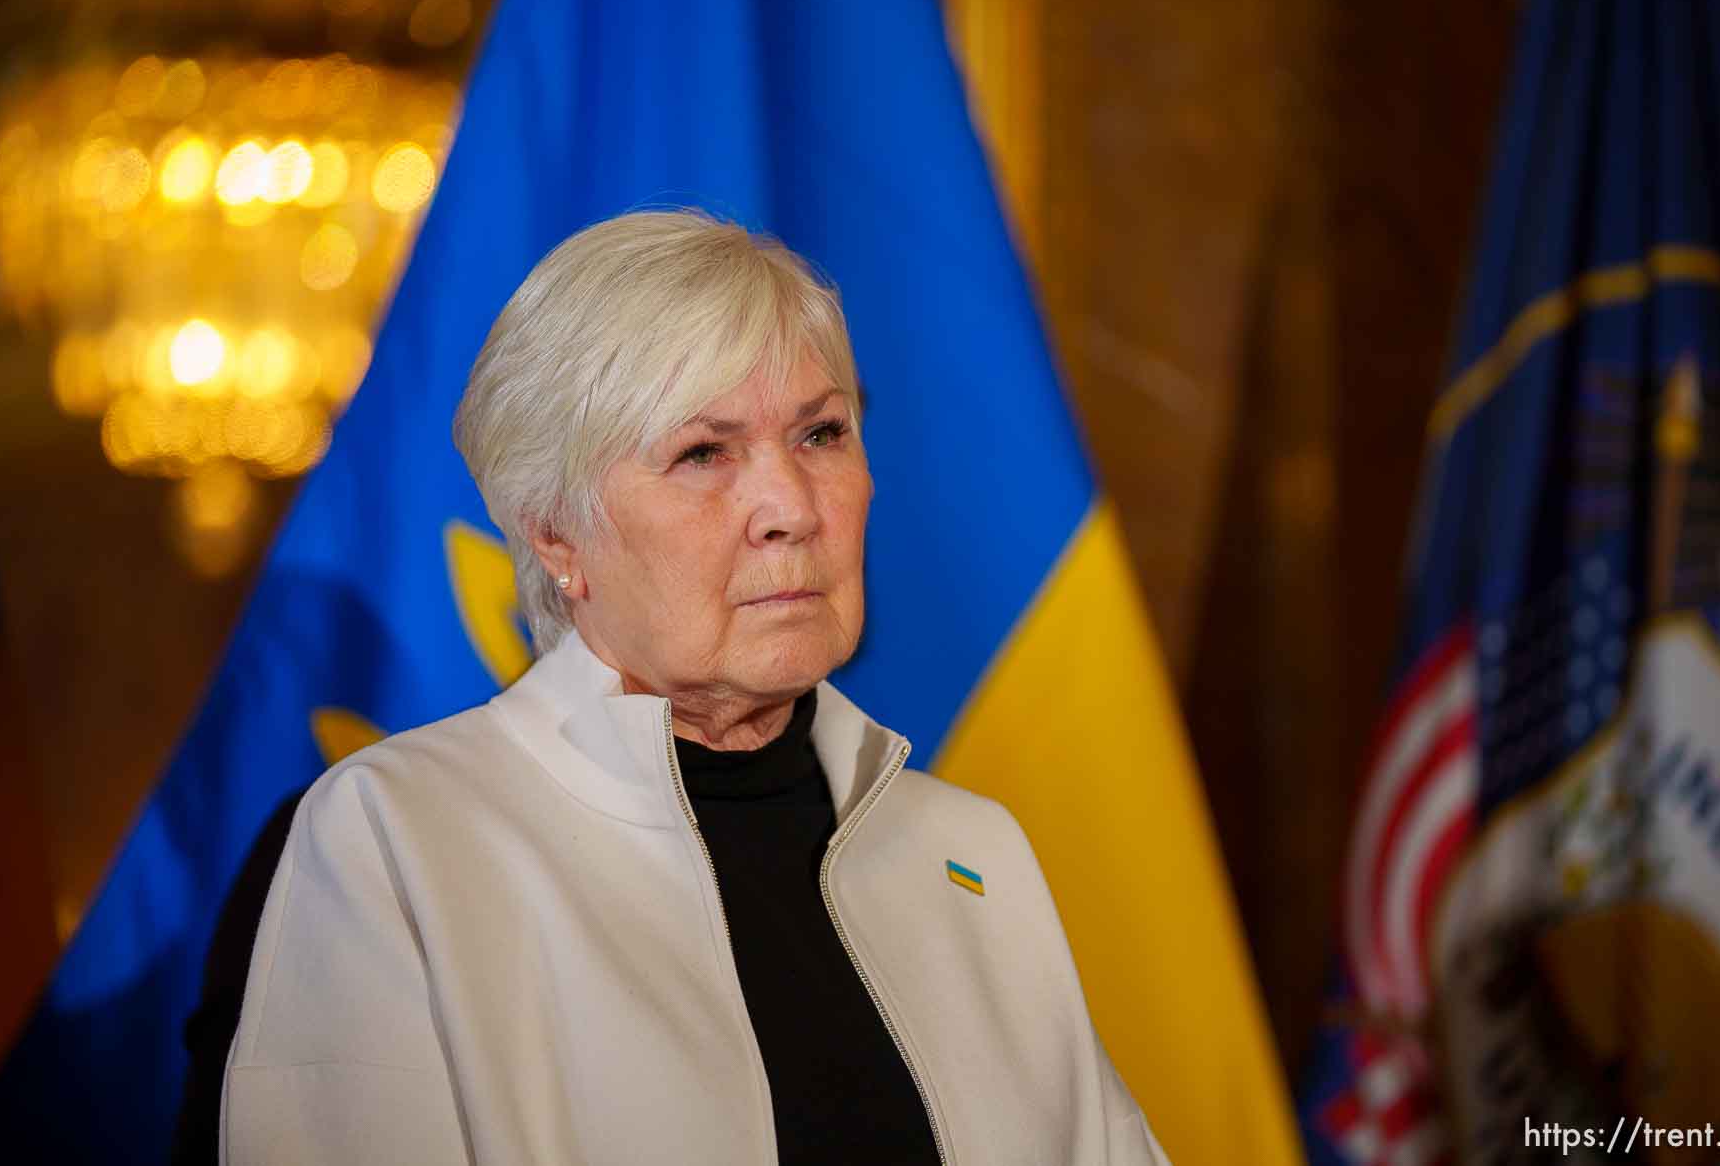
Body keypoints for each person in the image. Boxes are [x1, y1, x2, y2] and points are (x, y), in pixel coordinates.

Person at [220, 210, 1169, 1164]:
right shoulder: (398, 839)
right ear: (557, 536)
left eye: (822, 434)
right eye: (704, 453)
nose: (792, 510)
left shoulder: (971, 854)